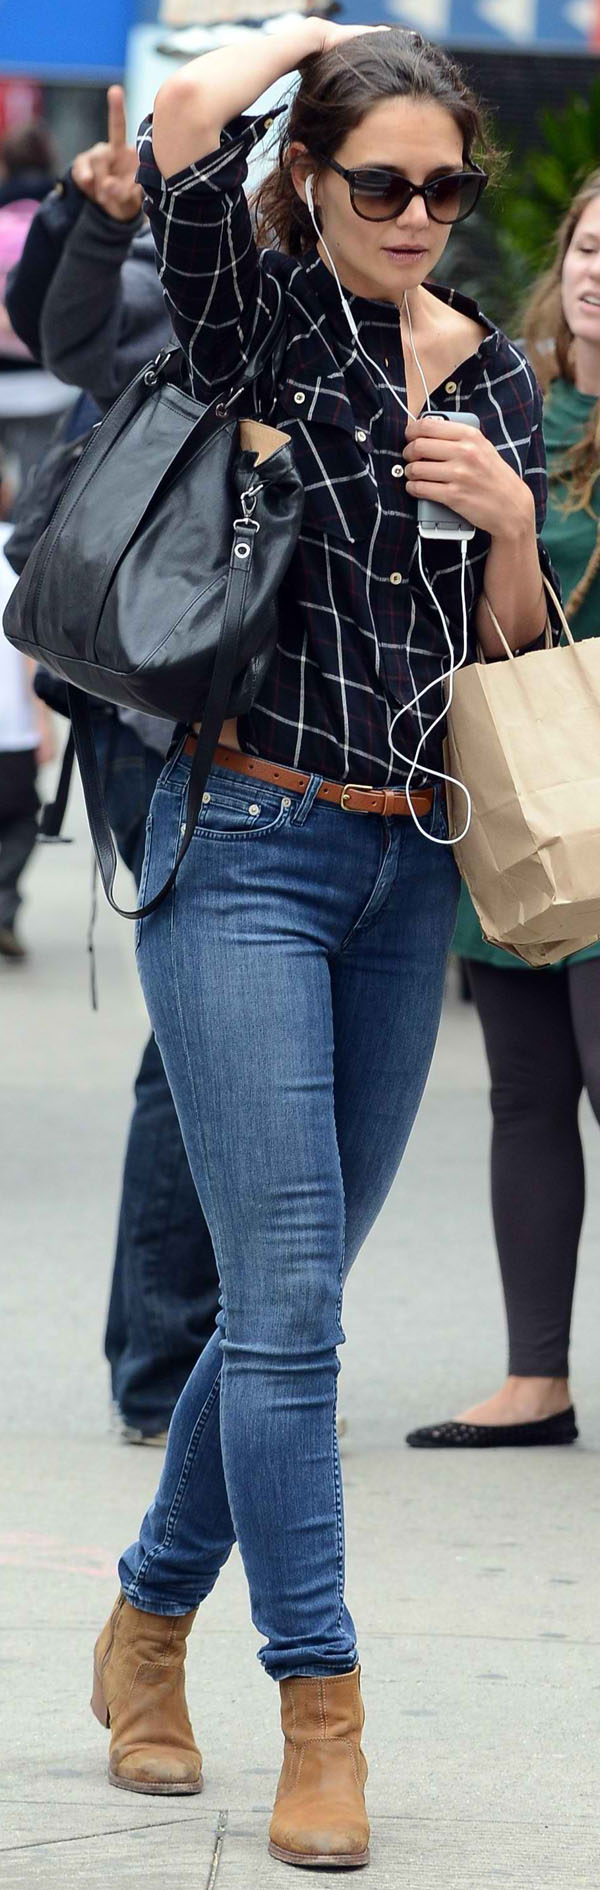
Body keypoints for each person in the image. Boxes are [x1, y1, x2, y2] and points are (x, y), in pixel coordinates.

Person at [91, 24, 559, 1868]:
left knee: (292, 1308)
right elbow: (194, 125)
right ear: (322, 181)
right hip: (250, 842)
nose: (420, 216)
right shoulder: (266, 320)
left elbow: (514, 654)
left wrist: (512, 523)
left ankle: (142, 1616)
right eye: (384, 181)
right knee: (285, 1316)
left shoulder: (500, 376)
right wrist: (316, 39)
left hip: (408, 876)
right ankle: (320, 1709)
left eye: (448, 188)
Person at [5, 87, 220, 1444]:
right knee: (203, 1036)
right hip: (157, 710)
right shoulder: (179, 248)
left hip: (320, 724)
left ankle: (236, 1344)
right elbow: (63, 326)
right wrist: (97, 212)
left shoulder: (389, 302)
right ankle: (166, 1361)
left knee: (253, 1047)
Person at [408, 169, 600, 1452]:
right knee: (524, 1090)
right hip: (509, 782)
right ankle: (537, 1379)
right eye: (590, 245)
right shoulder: (507, 399)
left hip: (587, 784)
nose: (596, 269)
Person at [0, 451, 54, 955]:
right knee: (17, 819)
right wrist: (42, 721)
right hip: (10, 724)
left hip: (13, 724)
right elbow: (27, 647)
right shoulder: (17, 553)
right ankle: (3, 907)